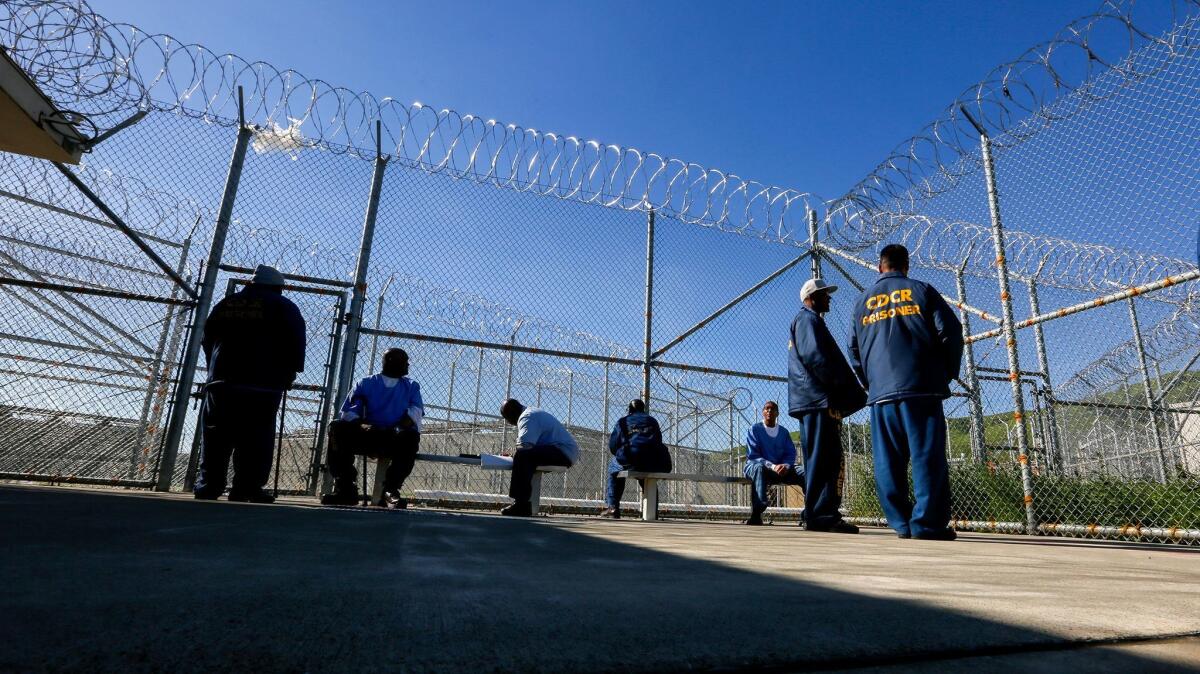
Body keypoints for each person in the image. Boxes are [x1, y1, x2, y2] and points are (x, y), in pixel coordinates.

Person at [848, 244, 963, 541]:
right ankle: (927, 524)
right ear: (906, 265)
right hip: (921, 387)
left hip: (881, 393)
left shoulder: (862, 302)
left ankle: (901, 523)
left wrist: (870, 382)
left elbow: (854, 350)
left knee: (887, 460)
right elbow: (950, 332)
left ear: (879, 267)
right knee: (926, 457)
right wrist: (946, 373)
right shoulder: (922, 290)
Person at [193, 265, 306, 503]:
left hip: (222, 380)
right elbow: (295, 341)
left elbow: (207, 339)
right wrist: (290, 373)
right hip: (263, 383)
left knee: (216, 435)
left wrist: (213, 368)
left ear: (251, 284)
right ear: (278, 287)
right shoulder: (284, 306)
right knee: (256, 437)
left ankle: (209, 485)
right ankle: (247, 487)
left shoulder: (227, 303)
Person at [788, 277, 866, 534]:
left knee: (819, 459)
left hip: (814, 399)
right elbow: (816, 358)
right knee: (826, 459)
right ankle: (822, 515)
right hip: (819, 399)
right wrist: (837, 391)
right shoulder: (808, 320)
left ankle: (814, 512)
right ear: (810, 298)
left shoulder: (810, 321)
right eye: (823, 294)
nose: (828, 298)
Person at [320, 348, 424, 508]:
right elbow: (349, 412)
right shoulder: (366, 383)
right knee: (336, 427)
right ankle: (346, 488)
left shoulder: (411, 386)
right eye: (405, 361)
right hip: (368, 435)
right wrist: (364, 426)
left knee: (410, 437)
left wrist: (395, 430)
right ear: (390, 362)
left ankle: (391, 490)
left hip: (395, 436)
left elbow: (415, 413)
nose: (408, 364)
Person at [498, 399, 578, 517]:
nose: (509, 423)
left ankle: (521, 504)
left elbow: (524, 447)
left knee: (523, 456)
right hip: (564, 451)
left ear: (511, 415)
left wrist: (514, 454)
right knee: (524, 456)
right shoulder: (530, 412)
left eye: (507, 419)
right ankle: (523, 503)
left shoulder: (527, 417)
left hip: (563, 452)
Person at [602, 399, 673, 519]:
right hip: (653, 460)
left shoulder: (622, 421)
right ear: (643, 409)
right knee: (647, 478)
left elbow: (613, 446)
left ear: (629, 410)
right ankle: (653, 511)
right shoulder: (652, 420)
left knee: (613, 470)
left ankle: (613, 507)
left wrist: (621, 454)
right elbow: (658, 440)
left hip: (630, 458)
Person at [743, 401, 804, 525]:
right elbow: (753, 455)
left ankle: (811, 512)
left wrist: (786, 466)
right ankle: (757, 512)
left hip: (780, 469)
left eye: (773, 409)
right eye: (766, 409)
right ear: (763, 412)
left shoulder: (784, 432)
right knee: (758, 468)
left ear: (777, 413)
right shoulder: (754, 429)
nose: (769, 411)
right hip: (757, 466)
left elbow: (790, 454)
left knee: (805, 472)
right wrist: (773, 466)